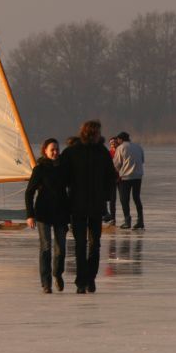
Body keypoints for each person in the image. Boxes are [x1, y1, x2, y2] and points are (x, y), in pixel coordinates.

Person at [59, 120, 117, 294]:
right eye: (98, 132)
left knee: (94, 244)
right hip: (77, 205)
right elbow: (63, 176)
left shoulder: (102, 152)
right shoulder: (72, 152)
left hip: (96, 206)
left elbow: (110, 176)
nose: (100, 135)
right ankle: (81, 280)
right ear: (91, 132)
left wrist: (106, 196)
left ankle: (90, 278)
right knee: (81, 244)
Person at [25, 138, 69, 293]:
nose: (55, 152)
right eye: (52, 150)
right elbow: (29, 192)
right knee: (46, 248)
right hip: (43, 213)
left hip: (61, 213)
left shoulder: (64, 168)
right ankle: (46, 283)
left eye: (57, 149)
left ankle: (57, 273)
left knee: (61, 249)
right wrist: (30, 215)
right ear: (45, 151)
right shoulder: (40, 169)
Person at [113, 132, 145, 230]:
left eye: (117, 140)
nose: (117, 141)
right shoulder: (138, 147)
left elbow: (117, 164)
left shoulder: (121, 148)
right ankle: (140, 220)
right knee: (136, 198)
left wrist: (115, 174)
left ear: (121, 139)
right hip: (138, 176)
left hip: (126, 177)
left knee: (124, 199)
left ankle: (127, 221)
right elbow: (142, 160)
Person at [105, 137, 119, 224]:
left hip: (120, 177)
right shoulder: (108, 153)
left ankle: (113, 217)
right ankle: (111, 217)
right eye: (111, 143)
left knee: (117, 199)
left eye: (114, 142)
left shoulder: (120, 152)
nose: (113, 144)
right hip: (111, 179)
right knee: (111, 199)